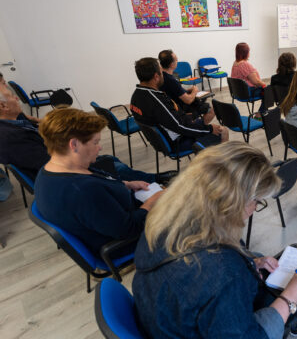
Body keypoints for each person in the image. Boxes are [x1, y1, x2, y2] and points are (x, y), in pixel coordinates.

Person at [133, 141, 297, 338]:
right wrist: (289, 299)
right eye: (256, 201)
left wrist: (252, 262)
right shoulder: (224, 272)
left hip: (165, 317)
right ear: (232, 203)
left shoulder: (161, 220)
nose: (254, 210)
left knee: (258, 256)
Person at [34, 108, 165, 255]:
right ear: (74, 145)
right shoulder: (83, 190)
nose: (100, 147)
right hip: (127, 242)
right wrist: (153, 201)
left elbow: (98, 191)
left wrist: (127, 184)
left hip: (117, 218)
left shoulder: (50, 171)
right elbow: (128, 230)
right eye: (95, 142)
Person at [0, 83, 175, 184]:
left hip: (64, 161)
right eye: (12, 96)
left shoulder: (13, 122)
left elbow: (30, 124)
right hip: (64, 175)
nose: (17, 99)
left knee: (111, 160)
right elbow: (47, 161)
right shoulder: (9, 137)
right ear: (3, 106)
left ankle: (153, 179)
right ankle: (154, 180)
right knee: (114, 165)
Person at [130, 57, 228, 152]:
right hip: (177, 141)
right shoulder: (156, 100)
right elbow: (180, 127)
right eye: (161, 72)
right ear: (156, 77)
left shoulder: (136, 96)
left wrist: (183, 116)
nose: (163, 75)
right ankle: (221, 165)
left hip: (161, 140)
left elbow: (169, 118)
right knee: (223, 131)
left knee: (197, 120)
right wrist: (209, 129)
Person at [158, 49, 215, 123]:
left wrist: (187, 91)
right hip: (181, 109)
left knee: (202, 100)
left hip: (171, 107)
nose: (177, 61)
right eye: (176, 60)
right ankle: (199, 129)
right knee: (212, 110)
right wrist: (194, 90)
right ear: (171, 64)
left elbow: (175, 91)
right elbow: (188, 100)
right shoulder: (171, 80)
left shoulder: (160, 76)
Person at [231, 42, 267, 115]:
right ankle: (260, 114)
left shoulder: (235, 63)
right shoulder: (244, 64)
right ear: (245, 53)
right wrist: (265, 85)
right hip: (248, 93)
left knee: (267, 90)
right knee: (269, 92)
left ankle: (261, 113)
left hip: (237, 93)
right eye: (249, 51)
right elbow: (255, 81)